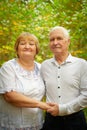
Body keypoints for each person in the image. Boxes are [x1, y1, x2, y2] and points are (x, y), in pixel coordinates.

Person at [0, 32, 50, 130]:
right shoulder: (8, 67)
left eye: (31, 44)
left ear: (36, 49)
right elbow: (10, 96)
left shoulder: (42, 68)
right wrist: (40, 104)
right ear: (17, 49)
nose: (27, 46)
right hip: (12, 126)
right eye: (22, 43)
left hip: (37, 125)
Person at [40, 26, 87, 130]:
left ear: (68, 41)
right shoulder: (44, 66)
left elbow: (86, 95)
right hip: (50, 121)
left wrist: (63, 109)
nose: (55, 42)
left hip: (75, 121)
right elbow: (39, 91)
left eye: (59, 38)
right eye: (52, 39)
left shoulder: (82, 64)